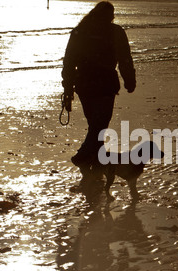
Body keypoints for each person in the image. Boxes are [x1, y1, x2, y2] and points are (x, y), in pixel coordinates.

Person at [62, 1, 136, 188]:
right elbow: (125, 59)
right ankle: (82, 157)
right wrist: (129, 80)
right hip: (104, 84)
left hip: (85, 85)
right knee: (99, 125)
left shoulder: (81, 31)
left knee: (96, 124)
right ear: (110, 16)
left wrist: (68, 87)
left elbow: (69, 62)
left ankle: (96, 164)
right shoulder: (115, 32)